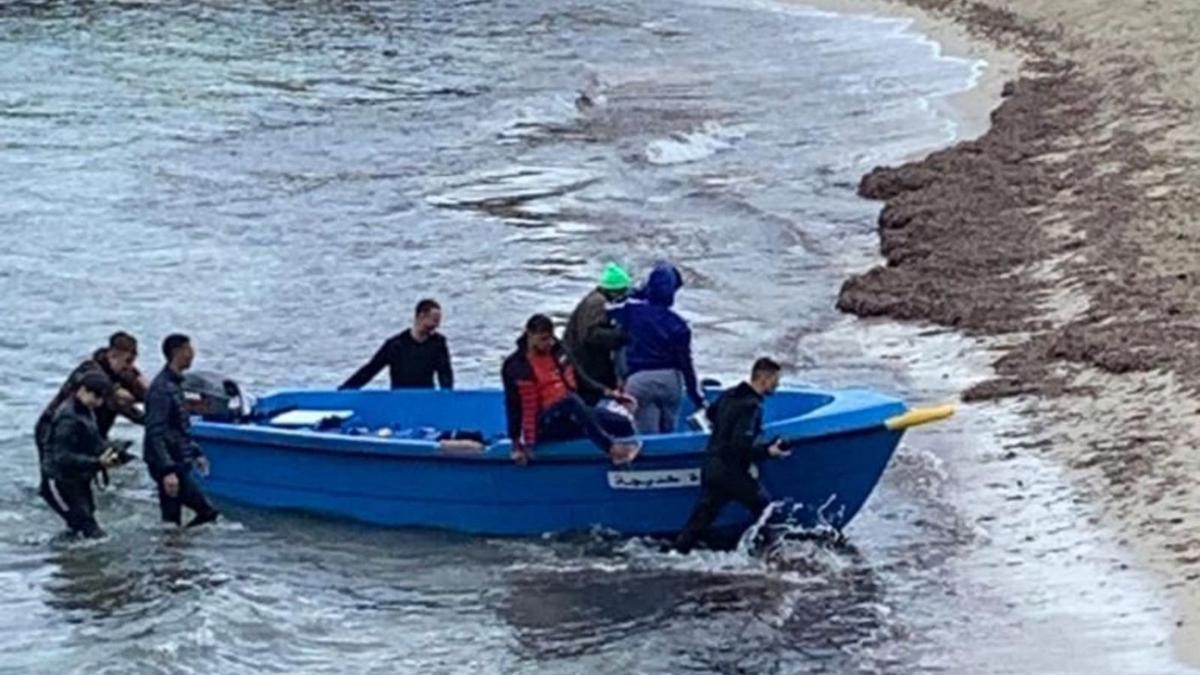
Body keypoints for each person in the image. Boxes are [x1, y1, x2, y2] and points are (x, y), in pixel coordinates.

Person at [673, 358, 792, 554]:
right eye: (775, 380)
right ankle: (772, 554)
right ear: (763, 378)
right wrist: (768, 451)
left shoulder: (729, 395)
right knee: (765, 509)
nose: (777, 385)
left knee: (699, 521)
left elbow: (710, 415)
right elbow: (740, 445)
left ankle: (676, 554)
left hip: (711, 467)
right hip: (732, 472)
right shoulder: (751, 406)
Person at [502, 314, 640, 465]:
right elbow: (513, 405)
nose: (548, 343)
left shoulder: (558, 351)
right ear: (529, 335)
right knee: (570, 401)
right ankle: (611, 449)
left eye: (550, 338)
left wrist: (609, 393)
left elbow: (581, 377)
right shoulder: (515, 366)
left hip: (572, 413)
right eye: (543, 339)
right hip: (543, 422)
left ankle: (629, 460)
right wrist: (516, 443)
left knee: (620, 422)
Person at [607, 262, 705, 434]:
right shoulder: (679, 324)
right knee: (669, 430)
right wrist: (695, 395)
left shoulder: (631, 311)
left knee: (647, 432)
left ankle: (650, 457)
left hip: (639, 380)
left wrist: (639, 291)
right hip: (670, 381)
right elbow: (686, 363)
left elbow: (609, 308)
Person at [35, 331, 148, 464]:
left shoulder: (124, 373)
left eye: (133, 362)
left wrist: (145, 386)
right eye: (127, 361)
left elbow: (142, 396)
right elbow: (117, 399)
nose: (130, 367)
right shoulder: (89, 370)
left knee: (125, 463)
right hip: (55, 431)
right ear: (112, 355)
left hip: (91, 434)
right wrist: (116, 390)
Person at [144, 334, 219, 528]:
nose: (193, 353)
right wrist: (167, 471)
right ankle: (175, 549)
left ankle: (174, 552)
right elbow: (155, 432)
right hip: (169, 464)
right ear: (177, 352)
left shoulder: (176, 385)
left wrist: (195, 452)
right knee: (206, 512)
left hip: (177, 459)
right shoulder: (161, 389)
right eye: (189, 349)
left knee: (171, 520)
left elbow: (178, 429)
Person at [39, 372, 125, 539]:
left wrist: (112, 450)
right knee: (86, 527)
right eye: (96, 396)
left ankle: (68, 560)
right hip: (57, 481)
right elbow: (61, 457)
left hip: (77, 479)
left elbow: (92, 441)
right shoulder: (68, 418)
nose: (99, 402)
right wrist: (97, 463)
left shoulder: (86, 411)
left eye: (102, 398)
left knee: (83, 524)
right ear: (83, 390)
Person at [340, 299, 454, 390]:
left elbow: (445, 375)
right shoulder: (395, 345)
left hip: (426, 399)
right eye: (434, 321)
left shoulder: (438, 343)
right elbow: (370, 370)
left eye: (438, 322)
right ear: (421, 316)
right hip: (399, 400)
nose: (436, 326)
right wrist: (344, 391)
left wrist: (446, 397)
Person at [562, 263, 631, 405]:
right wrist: (621, 335)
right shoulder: (597, 303)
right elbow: (591, 335)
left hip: (582, 363)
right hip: (587, 366)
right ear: (614, 291)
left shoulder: (593, 300)